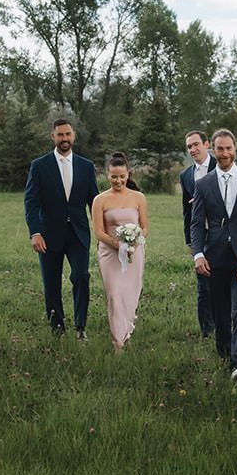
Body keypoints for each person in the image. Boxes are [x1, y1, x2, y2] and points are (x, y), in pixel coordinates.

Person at [190, 128, 237, 381]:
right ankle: (223, 352)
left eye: (228, 148)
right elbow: (196, 223)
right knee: (220, 311)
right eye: (220, 149)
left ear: (235, 148)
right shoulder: (203, 184)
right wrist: (198, 254)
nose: (224, 153)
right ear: (213, 150)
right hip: (214, 258)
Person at [23, 118, 98, 340]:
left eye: (67, 134)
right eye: (60, 135)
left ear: (73, 135)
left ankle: (80, 327)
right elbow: (31, 202)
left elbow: (94, 201)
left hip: (78, 233)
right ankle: (57, 329)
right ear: (52, 137)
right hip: (48, 235)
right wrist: (35, 232)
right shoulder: (39, 166)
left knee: (81, 276)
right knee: (51, 283)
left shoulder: (86, 166)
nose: (64, 139)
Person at [92, 152, 149, 354]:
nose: (118, 180)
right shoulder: (100, 200)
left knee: (130, 296)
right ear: (107, 175)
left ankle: (126, 332)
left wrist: (133, 241)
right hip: (110, 254)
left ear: (128, 174)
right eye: (114, 176)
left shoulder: (138, 198)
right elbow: (99, 232)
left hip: (134, 253)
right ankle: (118, 343)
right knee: (115, 295)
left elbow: (144, 227)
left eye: (122, 176)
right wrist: (118, 245)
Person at [179, 130, 217, 338]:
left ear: (206, 144)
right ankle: (206, 331)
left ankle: (224, 325)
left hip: (222, 234)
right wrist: (190, 241)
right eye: (189, 147)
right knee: (203, 285)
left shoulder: (219, 166)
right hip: (200, 235)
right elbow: (187, 211)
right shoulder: (186, 175)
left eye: (196, 145)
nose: (193, 150)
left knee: (221, 284)